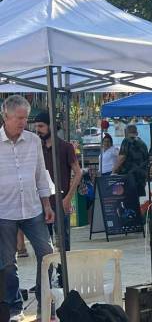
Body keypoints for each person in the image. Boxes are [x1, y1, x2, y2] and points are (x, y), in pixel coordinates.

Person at [0, 95, 55, 320]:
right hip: (4, 211)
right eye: (19, 118)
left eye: (26, 118)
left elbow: (41, 174)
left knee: (47, 254)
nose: (23, 122)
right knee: (7, 263)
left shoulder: (33, 141)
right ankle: (14, 308)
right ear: (5, 116)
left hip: (33, 209)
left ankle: (45, 303)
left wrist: (47, 204)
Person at [33, 112, 82, 252]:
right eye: (36, 126)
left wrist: (68, 199)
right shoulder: (36, 147)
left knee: (63, 243)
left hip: (60, 201)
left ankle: (63, 267)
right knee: (44, 245)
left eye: (41, 126)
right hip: (40, 202)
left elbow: (78, 173)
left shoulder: (66, 147)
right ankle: (48, 267)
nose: (38, 130)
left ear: (51, 126)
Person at [113, 124, 149, 196]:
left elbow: (122, 157)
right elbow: (147, 160)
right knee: (137, 200)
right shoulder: (143, 144)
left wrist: (114, 170)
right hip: (141, 178)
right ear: (136, 132)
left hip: (129, 176)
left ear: (126, 132)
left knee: (127, 199)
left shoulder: (126, 140)